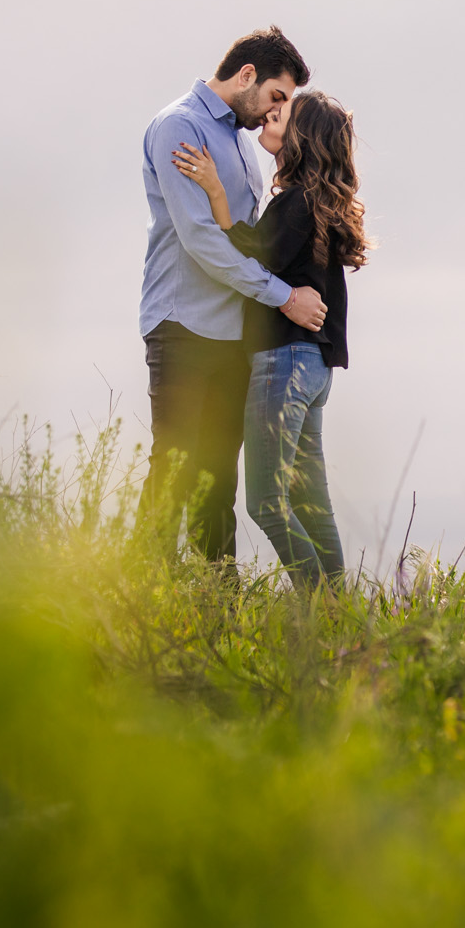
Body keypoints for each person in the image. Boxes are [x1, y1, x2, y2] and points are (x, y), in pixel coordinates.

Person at [139, 28, 327, 560]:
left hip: (232, 335)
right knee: (173, 468)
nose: (277, 112)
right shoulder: (181, 125)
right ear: (248, 75)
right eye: (276, 96)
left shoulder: (240, 143)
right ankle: (137, 590)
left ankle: (216, 604)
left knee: (218, 479)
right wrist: (284, 296)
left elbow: (247, 236)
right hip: (184, 325)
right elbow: (202, 241)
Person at [171, 91, 366, 585]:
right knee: (311, 502)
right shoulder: (314, 202)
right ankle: (338, 617)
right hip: (313, 369)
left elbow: (255, 255)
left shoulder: (297, 201)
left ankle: (316, 601)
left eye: (285, 112)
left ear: (302, 136)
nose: (272, 112)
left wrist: (216, 192)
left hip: (285, 364)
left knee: (265, 503)